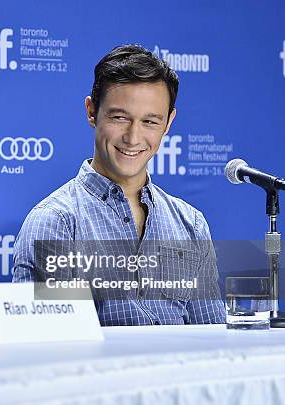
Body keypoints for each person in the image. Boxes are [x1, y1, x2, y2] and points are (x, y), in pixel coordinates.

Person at [12, 44, 225, 325]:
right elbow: (51, 342)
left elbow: (212, 337)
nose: (133, 137)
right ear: (91, 111)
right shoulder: (56, 221)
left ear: (168, 123)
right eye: (120, 117)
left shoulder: (190, 223)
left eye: (150, 121)